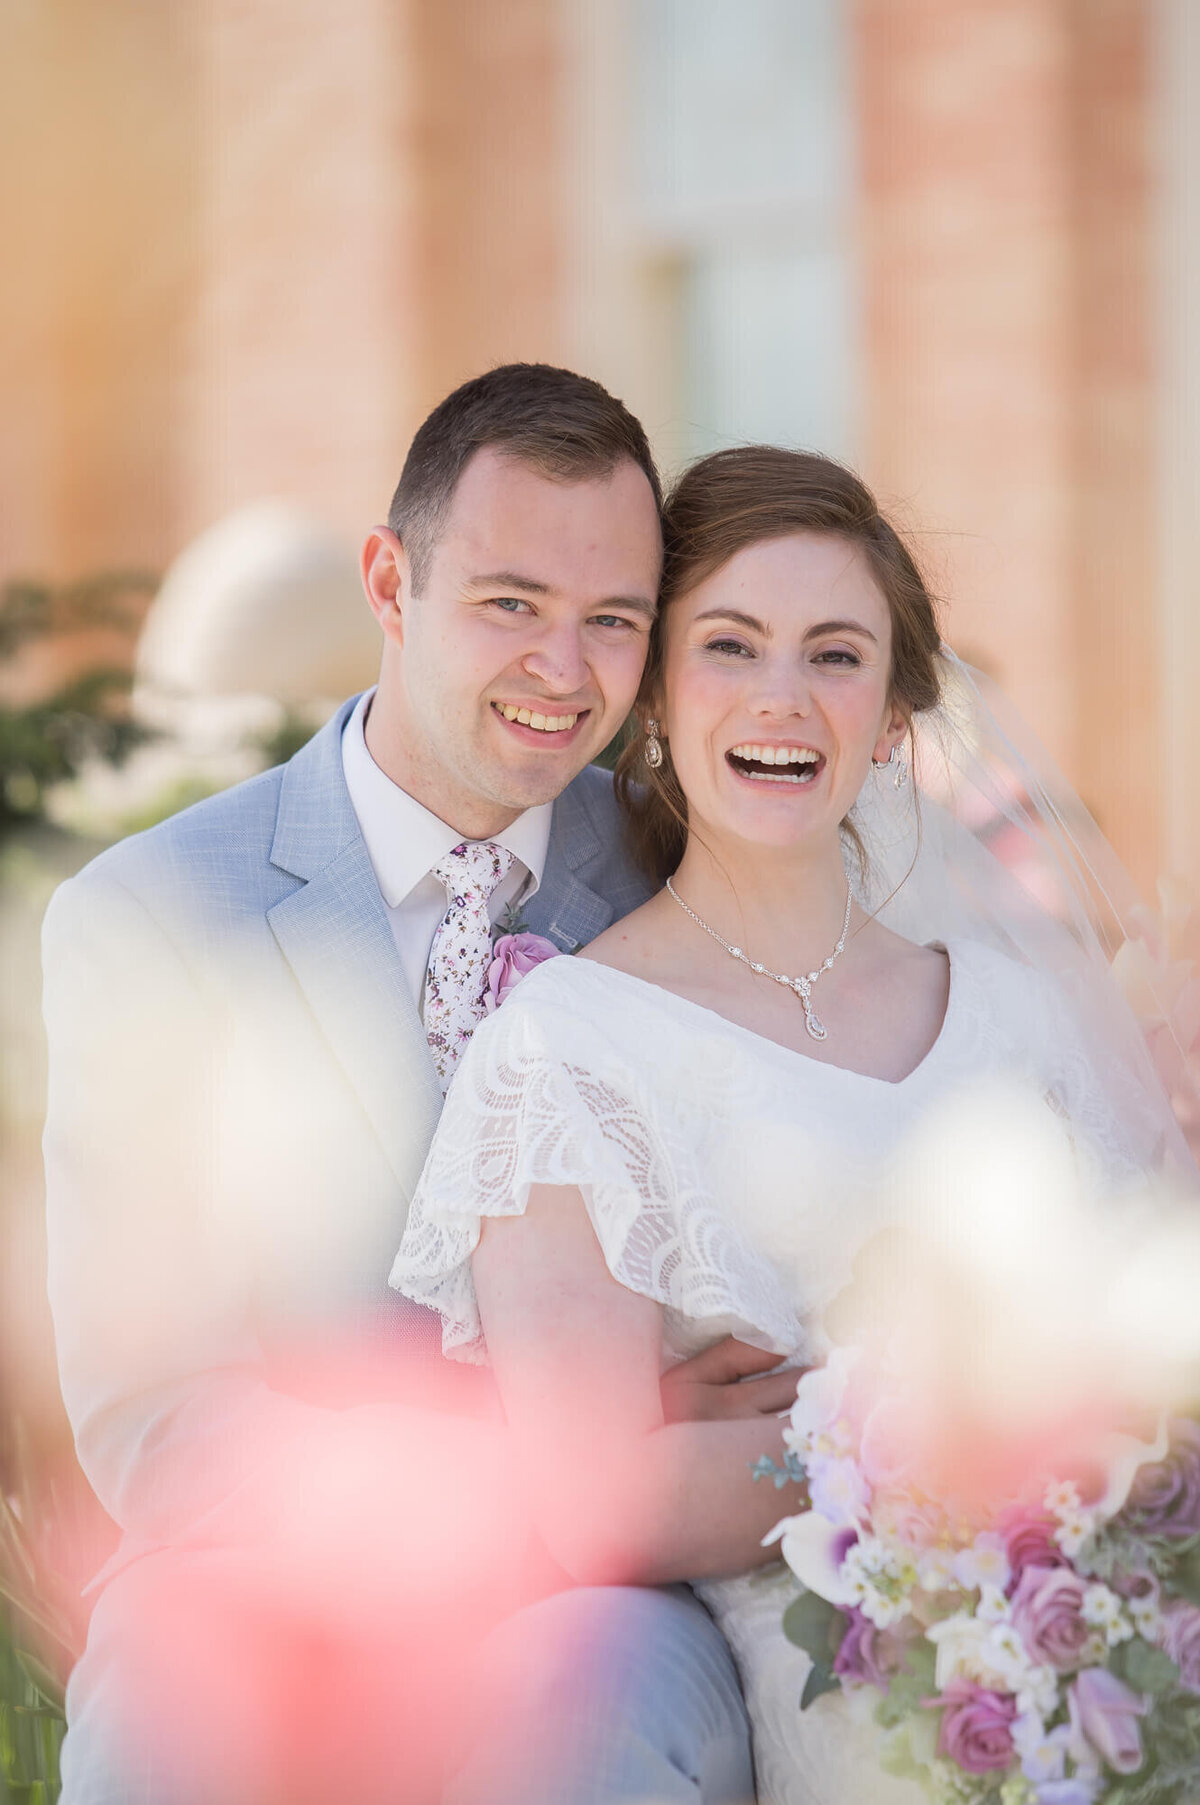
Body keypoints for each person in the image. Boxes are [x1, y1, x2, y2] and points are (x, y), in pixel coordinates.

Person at [391, 445, 1195, 1804]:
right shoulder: (567, 1050)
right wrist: (920, 1435)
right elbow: (592, 1497)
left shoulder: (1023, 1013)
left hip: (1128, 1685)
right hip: (848, 1734)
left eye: (835, 653)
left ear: (891, 717)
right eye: (729, 644)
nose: (783, 698)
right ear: (655, 698)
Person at [43, 365, 785, 1805]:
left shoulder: (695, 874)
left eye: (613, 620)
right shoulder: (147, 914)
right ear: (391, 581)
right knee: (162, 1718)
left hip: (610, 1595)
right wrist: (556, 1449)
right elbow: (159, 1418)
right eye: (511, 603)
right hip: (263, 1574)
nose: (564, 671)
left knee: (581, 1734)